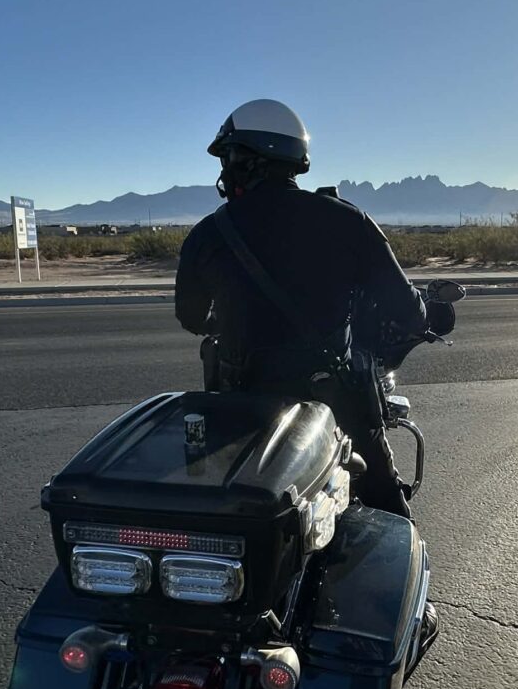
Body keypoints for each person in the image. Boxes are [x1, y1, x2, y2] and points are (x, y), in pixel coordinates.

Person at [174, 99, 427, 518]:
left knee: (223, 508)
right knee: (392, 515)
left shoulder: (208, 233)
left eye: (229, 157)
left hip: (242, 404)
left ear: (248, 159)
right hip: (335, 401)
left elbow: (191, 316)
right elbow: (407, 310)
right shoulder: (348, 221)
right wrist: (427, 311)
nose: (225, 169)